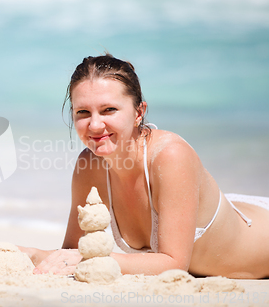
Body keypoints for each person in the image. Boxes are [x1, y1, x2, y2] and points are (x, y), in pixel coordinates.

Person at [22, 54, 269, 279]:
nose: (95, 125)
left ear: (139, 112)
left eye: (109, 110)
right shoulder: (90, 165)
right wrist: (29, 254)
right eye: (83, 112)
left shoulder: (170, 156)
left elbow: (174, 265)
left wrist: (97, 259)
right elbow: (71, 254)